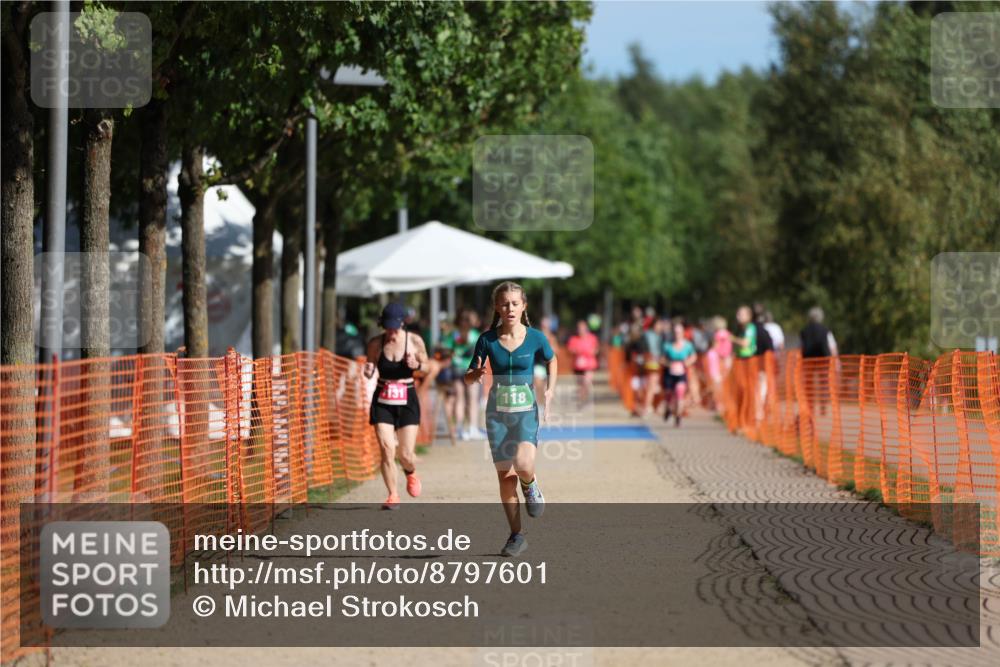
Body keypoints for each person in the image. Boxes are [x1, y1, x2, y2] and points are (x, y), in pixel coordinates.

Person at [466, 281, 557, 558]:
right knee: (506, 479)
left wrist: (550, 390)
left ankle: (530, 486)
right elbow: (469, 375)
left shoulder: (536, 338)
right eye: (504, 304)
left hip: (526, 413)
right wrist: (474, 375)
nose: (510, 308)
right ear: (497, 307)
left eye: (515, 303)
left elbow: (551, 360)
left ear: (523, 306)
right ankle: (517, 536)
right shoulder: (487, 340)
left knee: (524, 464)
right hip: (497, 416)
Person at [364, 302, 428, 510]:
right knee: (386, 447)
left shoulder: (415, 341)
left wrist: (416, 365)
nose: (391, 332)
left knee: (406, 454)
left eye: (395, 327)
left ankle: (410, 473)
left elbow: (427, 367)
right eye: (388, 327)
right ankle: (393, 494)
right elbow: (370, 366)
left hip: (407, 398)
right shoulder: (375, 343)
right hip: (383, 399)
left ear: (403, 323)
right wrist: (368, 370)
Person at [447, 310, 484, 440]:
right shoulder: (475, 335)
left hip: (456, 368)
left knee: (460, 399)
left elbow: (448, 350)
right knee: (472, 400)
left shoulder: (454, 334)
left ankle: (460, 430)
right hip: (471, 369)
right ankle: (472, 429)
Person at [661, 321, 696, 427]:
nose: (677, 334)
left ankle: (678, 417)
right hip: (669, 373)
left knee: (679, 393)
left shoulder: (688, 345)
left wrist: (688, 362)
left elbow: (694, 356)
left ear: (683, 333)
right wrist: (669, 364)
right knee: (668, 395)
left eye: (679, 332)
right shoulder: (667, 345)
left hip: (681, 373)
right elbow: (662, 359)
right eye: (675, 332)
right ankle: (667, 409)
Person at [567, 319, 599, 404]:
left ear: (586, 328)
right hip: (577, 366)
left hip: (589, 365)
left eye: (583, 328)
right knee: (580, 385)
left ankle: (583, 400)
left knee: (586, 383)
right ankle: (582, 399)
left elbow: (596, 349)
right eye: (579, 328)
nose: (581, 330)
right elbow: (570, 350)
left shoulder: (592, 338)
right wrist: (576, 351)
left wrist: (592, 351)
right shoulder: (573, 339)